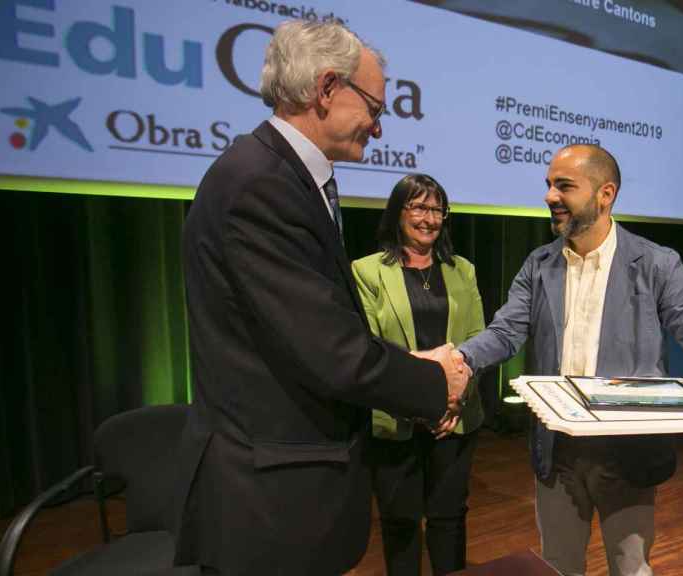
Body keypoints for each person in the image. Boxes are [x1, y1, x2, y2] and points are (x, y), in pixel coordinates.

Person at [172, 22, 468, 575]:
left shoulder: (278, 176)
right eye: (375, 109)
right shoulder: (260, 185)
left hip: (284, 485)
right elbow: (331, 352)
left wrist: (411, 364)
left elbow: (312, 329)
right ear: (327, 88)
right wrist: (435, 382)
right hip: (269, 500)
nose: (378, 130)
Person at [457, 144, 683, 576]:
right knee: (557, 567)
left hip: (628, 453)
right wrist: (460, 361)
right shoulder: (538, 265)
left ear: (605, 193)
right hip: (557, 452)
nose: (549, 197)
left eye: (564, 186)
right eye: (548, 185)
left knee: (630, 567)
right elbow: (504, 333)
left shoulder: (655, 264)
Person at [352, 174, 486, 575]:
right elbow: (369, 346)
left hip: (453, 417)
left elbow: (479, 338)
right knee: (401, 522)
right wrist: (417, 397)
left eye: (436, 209)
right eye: (418, 207)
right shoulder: (367, 271)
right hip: (396, 417)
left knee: (449, 518)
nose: (428, 218)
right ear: (397, 212)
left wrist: (455, 399)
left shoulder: (463, 270)